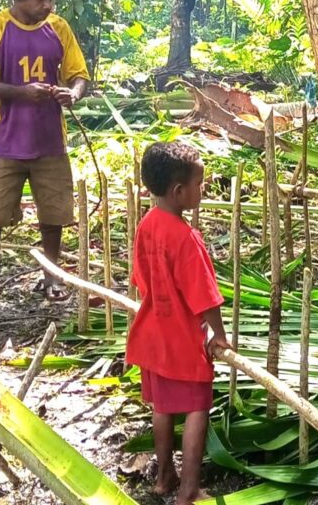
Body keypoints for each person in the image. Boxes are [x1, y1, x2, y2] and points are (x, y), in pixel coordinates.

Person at [0, 0, 89, 325]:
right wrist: (20, 92)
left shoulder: (59, 28)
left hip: (50, 141)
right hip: (4, 142)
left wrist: (73, 94)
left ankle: (51, 274)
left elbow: (79, 75)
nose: (47, 5)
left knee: (53, 213)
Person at [127, 142, 229, 504]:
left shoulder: (147, 225)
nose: (203, 189)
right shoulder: (186, 238)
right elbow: (205, 297)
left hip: (152, 333)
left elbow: (141, 280)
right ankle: (189, 490)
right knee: (197, 408)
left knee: (163, 406)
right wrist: (219, 334)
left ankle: (164, 476)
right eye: (200, 183)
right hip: (181, 340)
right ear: (178, 191)